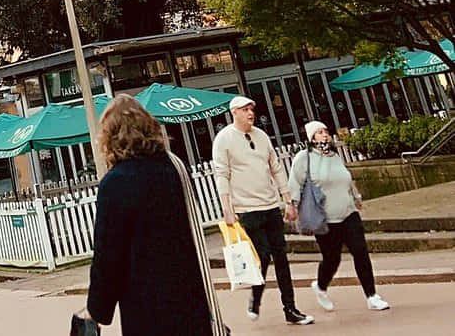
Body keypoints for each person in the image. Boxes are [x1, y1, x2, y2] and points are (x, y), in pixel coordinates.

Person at [86, 95, 228, 336]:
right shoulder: (174, 167)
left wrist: (97, 310)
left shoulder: (115, 182)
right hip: (190, 293)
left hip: (146, 302)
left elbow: (109, 254)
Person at [213, 94, 313, 324]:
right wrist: (227, 207)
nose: (250, 114)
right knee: (263, 254)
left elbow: (276, 168)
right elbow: (222, 174)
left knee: (281, 256)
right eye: (245, 110)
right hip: (246, 208)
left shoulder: (261, 136)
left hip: (270, 204)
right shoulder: (224, 139)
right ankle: (256, 297)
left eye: (252, 109)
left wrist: (287, 200)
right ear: (234, 112)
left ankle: (290, 308)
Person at [288, 120, 391, 313]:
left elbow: (345, 178)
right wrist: (292, 205)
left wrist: (356, 197)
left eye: (325, 131)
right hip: (325, 219)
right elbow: (295, 183)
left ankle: (371, 296)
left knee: (361, 253)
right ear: (311, 137)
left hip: (348, 213)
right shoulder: (304, 158)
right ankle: (320, 286)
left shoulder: (334, 156)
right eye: (319, 132)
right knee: (331, 259)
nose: (324, 135)